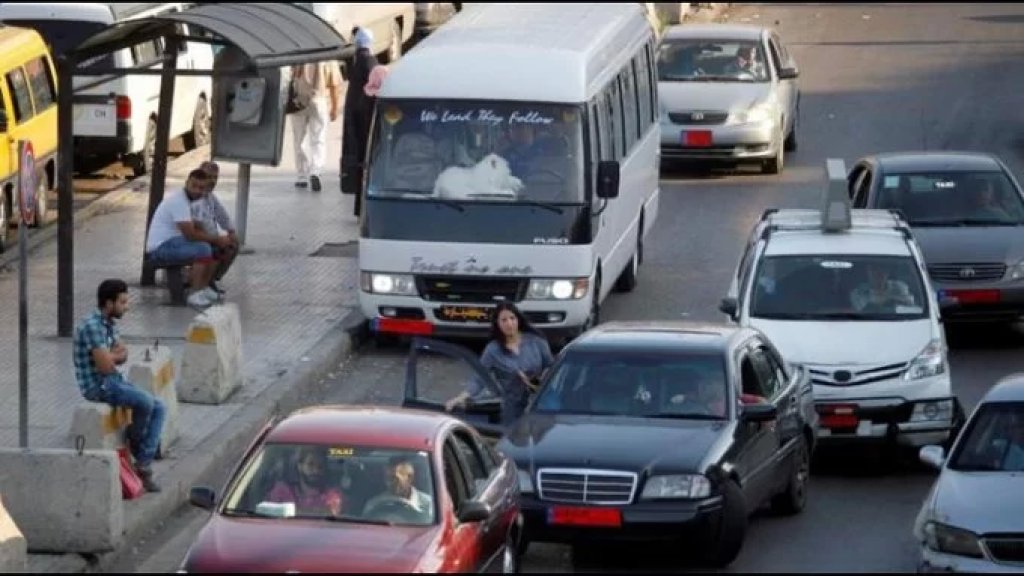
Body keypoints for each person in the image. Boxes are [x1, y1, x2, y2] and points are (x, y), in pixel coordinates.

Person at [73, 279, 165, 493]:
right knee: (145, 402)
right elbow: (105, 367)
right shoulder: (92, 327)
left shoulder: (108, 324)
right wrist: (113, 356)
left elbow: (123, 354)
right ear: (108, 303)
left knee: (159, 407)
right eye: (122, 302)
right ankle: (137, 443)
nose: (127, 307)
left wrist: (112, 355)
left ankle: (143, 462)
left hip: (113, 380)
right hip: (99, 386)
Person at [444, 302, 554, 425]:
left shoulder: (536, 341)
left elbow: (552, 367)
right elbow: (480, 378)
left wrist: (537, 380)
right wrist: (461, 397)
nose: (509, 324)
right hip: (513, 408)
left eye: (512, 318)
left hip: (541, 403)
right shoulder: (493, 350)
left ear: (518, 319)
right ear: (498, 323)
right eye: (504, 320)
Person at [146, 169, 230, 309]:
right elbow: (190, 234)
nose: (197, 190)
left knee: (215, 249)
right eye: (194, 186)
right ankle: (194, 294)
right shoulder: (179, 201)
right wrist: (216, 239)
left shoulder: (197, 201)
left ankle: (203, 288)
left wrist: (220, 239)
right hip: (160, 248)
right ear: (186, 183)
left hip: (176, 242)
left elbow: (201, 226)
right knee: (203, 249)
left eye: (201, 188)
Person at [341, 27, 380, 216]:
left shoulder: (354, 60)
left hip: (353, 118)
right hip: (366, 119)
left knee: (358, 164)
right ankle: (363, 207)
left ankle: (358, 208)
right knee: (367, 163)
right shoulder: (370, 61)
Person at [291, 57, 343, 192]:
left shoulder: (299, 53)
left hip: (299, 101)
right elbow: (335, 84)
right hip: (318, 100)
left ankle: (301, 175)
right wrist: (335, 107)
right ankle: (315, 170)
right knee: (318, 139)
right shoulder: (328, 57)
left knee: (299, 139)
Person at [192, 161, 239, 296]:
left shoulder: (210, 197)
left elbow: (222, 215)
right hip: (191, 237)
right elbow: (198, 225)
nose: (212, 181)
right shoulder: (195, 195)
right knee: (218, 248)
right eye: (209, 176)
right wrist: (217, 239)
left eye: (215, 178)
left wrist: (231, 231)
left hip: (206, 236)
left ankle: (211, 279)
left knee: (233, 245)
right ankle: (202, 285)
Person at [266, 446, 343, 516]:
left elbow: (331, 512)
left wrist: (286, 511)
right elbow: (269, 511)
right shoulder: (281, 490)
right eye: (310, 464)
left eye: (320, 466)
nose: (316, 471)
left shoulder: (331, 495)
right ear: (300, 466)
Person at [362, 456, 433, 521]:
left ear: (409, 478)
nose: (389, 483)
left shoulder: (429, 506)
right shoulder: (374, 504)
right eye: (387, 478)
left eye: (394, 478)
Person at [850, 263, 916, 312]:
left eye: (882, 270)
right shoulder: (859, 292)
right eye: (874, 270)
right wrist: (890, 300)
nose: (878, 274)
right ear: (868, 272)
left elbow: (910, 304)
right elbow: (862, 310)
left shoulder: (899, 287)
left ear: (887, 273)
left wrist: (890, 300)